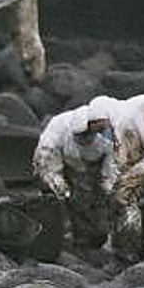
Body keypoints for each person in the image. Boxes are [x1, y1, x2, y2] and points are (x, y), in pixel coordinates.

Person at [32, 98, 118, 251]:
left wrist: (110, 190)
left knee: (95, 196)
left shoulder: (108, 136)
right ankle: (68, 236)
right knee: (58, 195)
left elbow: (110, 171)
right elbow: (45, 165)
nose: (85, 139)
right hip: (59, 159)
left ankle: (99, 236)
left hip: (92, 164)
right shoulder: (56, 131)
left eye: (89, 135)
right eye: (81, 137)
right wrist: (63, 190)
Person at [102, 92, 144, 263]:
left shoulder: (123, 121)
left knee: (125, 190)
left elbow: (124, 168)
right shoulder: (138, 107)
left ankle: (124, 257)